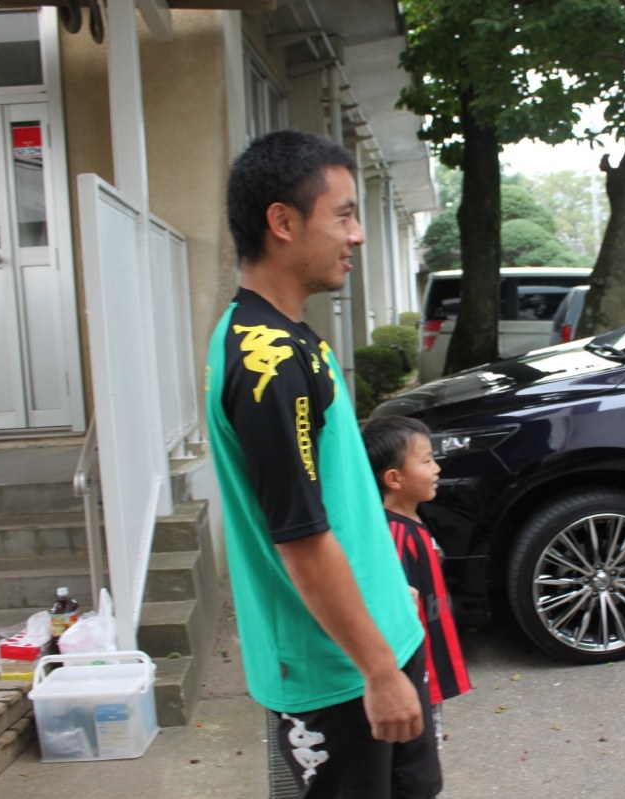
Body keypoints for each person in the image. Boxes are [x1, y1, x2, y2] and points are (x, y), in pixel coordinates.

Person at [205, 129, 440, 798]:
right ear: (283, 222)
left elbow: (340, 498)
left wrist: (389, 594)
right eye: (343, 215)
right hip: (337, 674)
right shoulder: (266, 363)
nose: (357, 235)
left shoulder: (294, 340)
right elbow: (302, 541)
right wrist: (378, 671)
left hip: (375, 642)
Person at [362, 416, 471, 748]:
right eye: (426, 461)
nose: (437, 468)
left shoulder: (412, 520)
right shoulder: (394, 535)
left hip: (426, 665)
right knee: (418, 750)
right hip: (414, 672)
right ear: (394, 479)